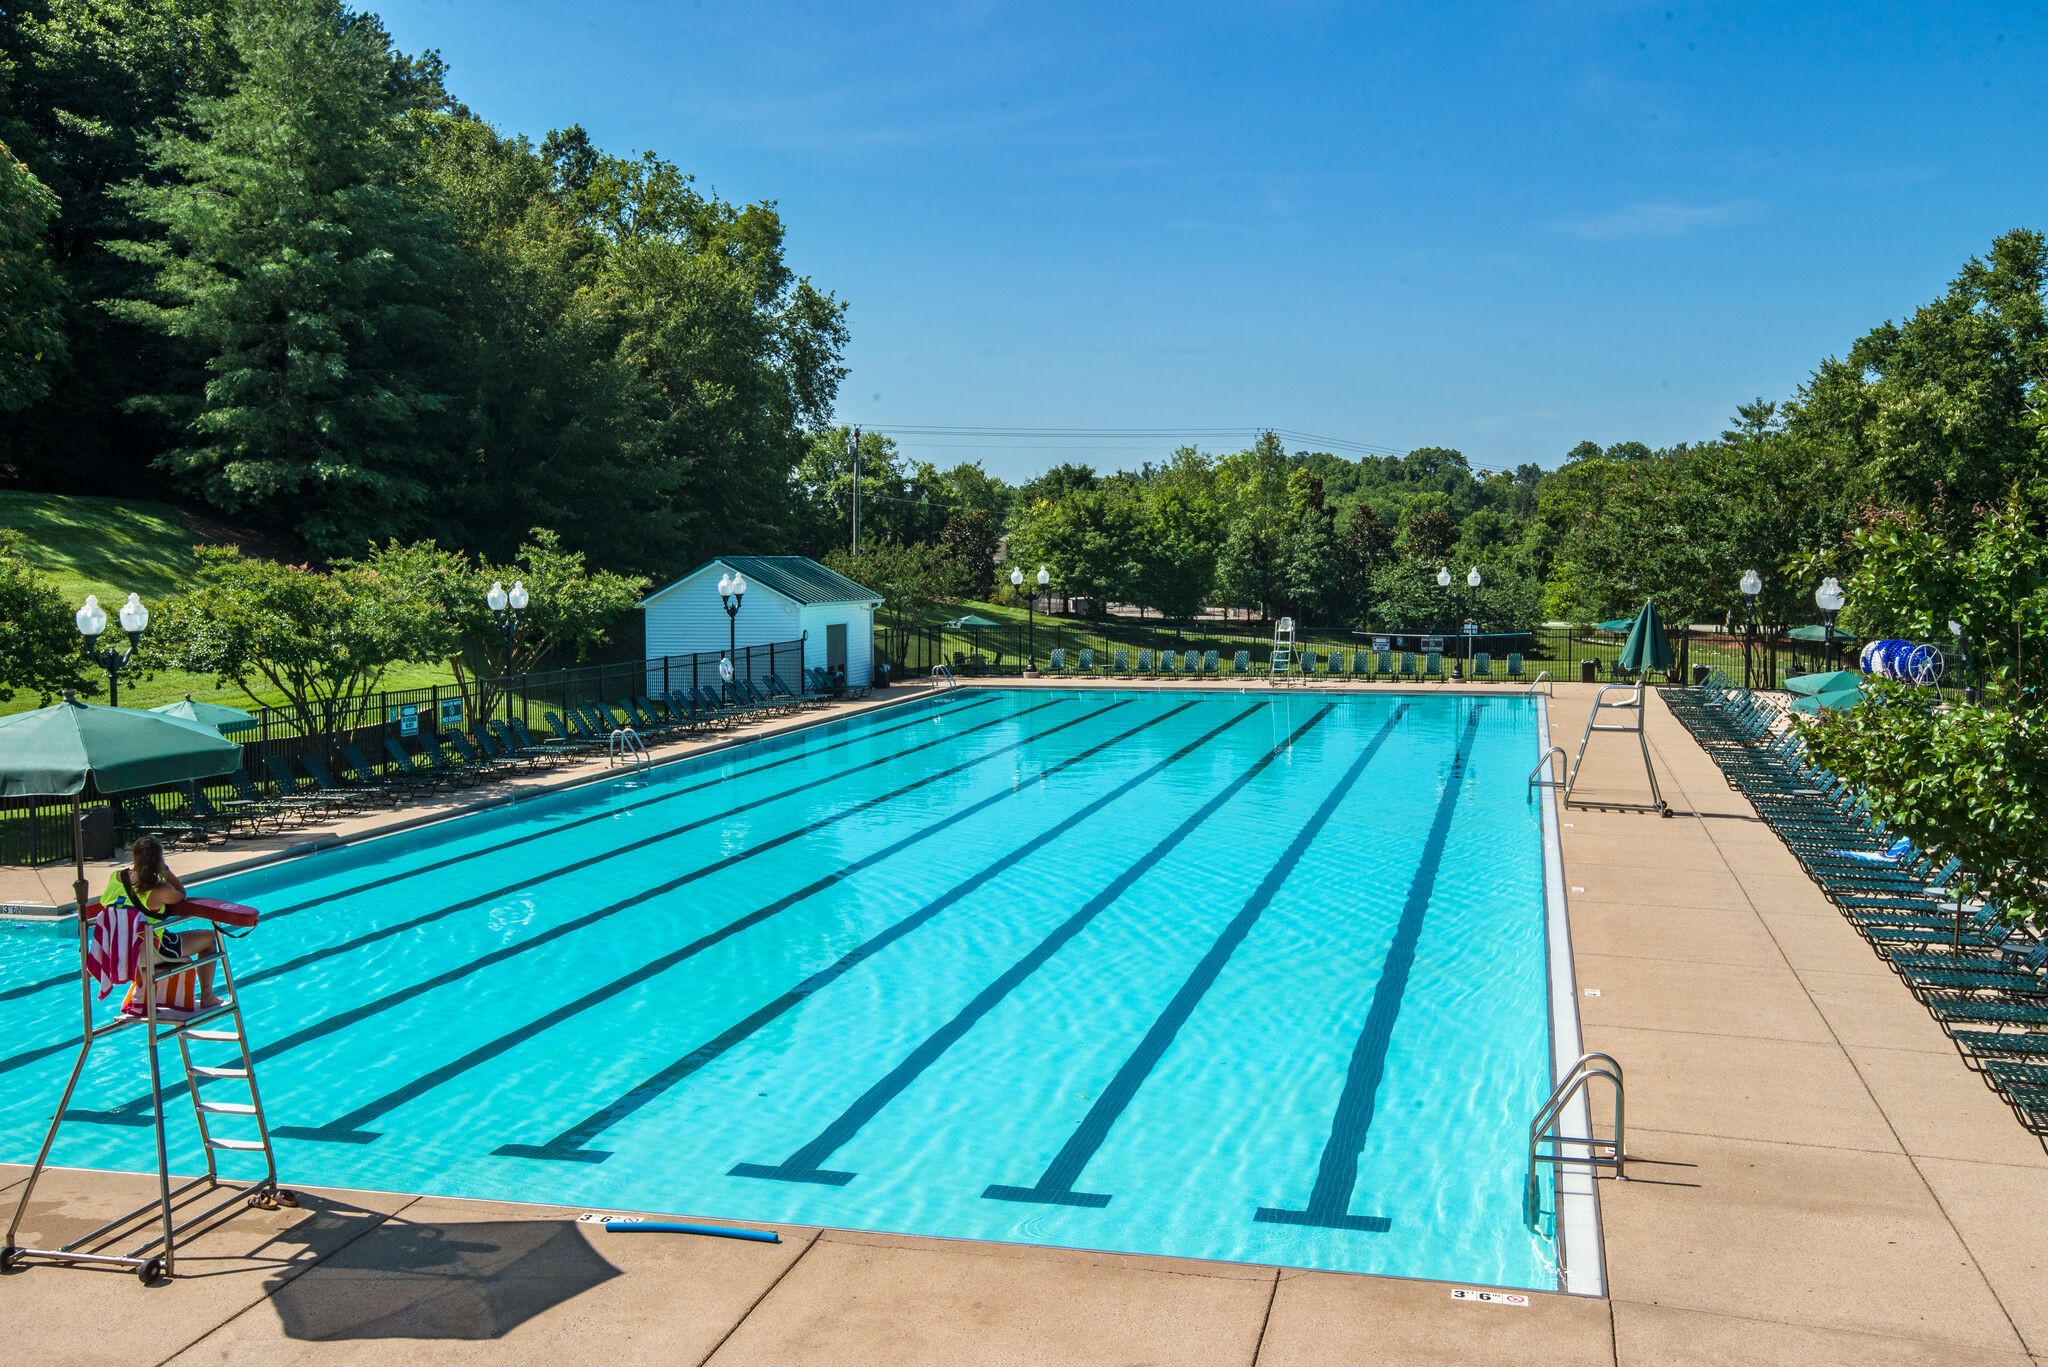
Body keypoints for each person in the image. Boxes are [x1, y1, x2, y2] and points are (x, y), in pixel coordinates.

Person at [102, 835, 223, 1014]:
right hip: (151, 952)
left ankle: (146, 989)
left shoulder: (116, 877)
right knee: (210, 939)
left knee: (164, 936)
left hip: (120, 953)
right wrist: (165, 871)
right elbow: (181, 896)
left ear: (133, 855)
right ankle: (206, 996)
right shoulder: (160, 889)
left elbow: (106, 905)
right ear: (159, 861)